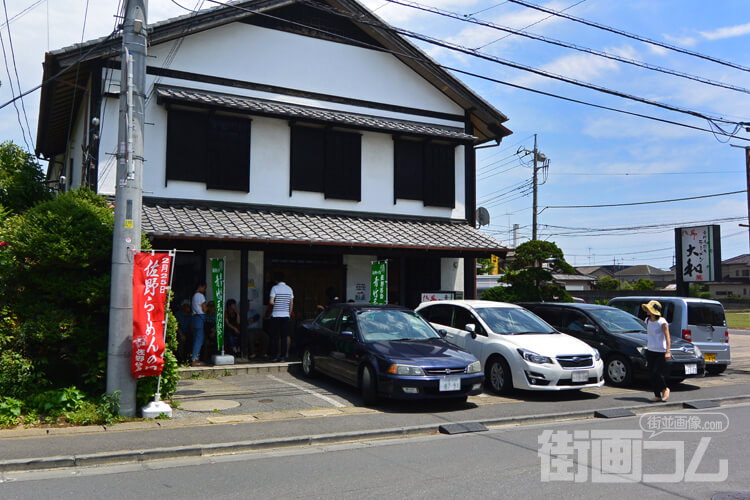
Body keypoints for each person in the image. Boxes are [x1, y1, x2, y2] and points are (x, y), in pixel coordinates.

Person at [642, 300, 671, 402]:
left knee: (657, 372)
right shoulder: (647, 320)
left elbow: (667, 336)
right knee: (651, 374)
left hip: (660, 351)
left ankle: (665, 389)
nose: (647, 311)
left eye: (649, 309)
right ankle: (657, 395)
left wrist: (668, 351)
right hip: (650, 350)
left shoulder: (662, 322)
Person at [269, 272, 294, 362]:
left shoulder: (274, 288)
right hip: (286, 315)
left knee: (275, 336)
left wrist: (277, 304)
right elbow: (291, 303)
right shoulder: (289, 289)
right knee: (284, 336)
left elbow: (271, 301)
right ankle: (283, 356)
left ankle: (274, 356)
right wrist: (289, 313)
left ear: (276, 280)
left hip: (276, 315)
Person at [190, 283, 208, 367]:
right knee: (199, 340)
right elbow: (204, 309)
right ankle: (194, 360)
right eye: (204, 288)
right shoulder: (200, 296)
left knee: (196, 339)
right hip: (200, 318)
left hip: (194, 318)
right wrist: (207, 308)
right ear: (200, 286)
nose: (205, 290)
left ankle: (195, 358)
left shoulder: (194, 296)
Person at [174, 299, 192, 364]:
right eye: (187, 306)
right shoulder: (178, 314)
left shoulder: (190, 315)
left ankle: (188, 358)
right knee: (180, 341)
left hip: (187, 332)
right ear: (183, 307)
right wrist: (181, 335)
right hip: (179, 333)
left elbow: (191, 326)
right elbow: (176, 326)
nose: (189, 308)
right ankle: (180, 359)